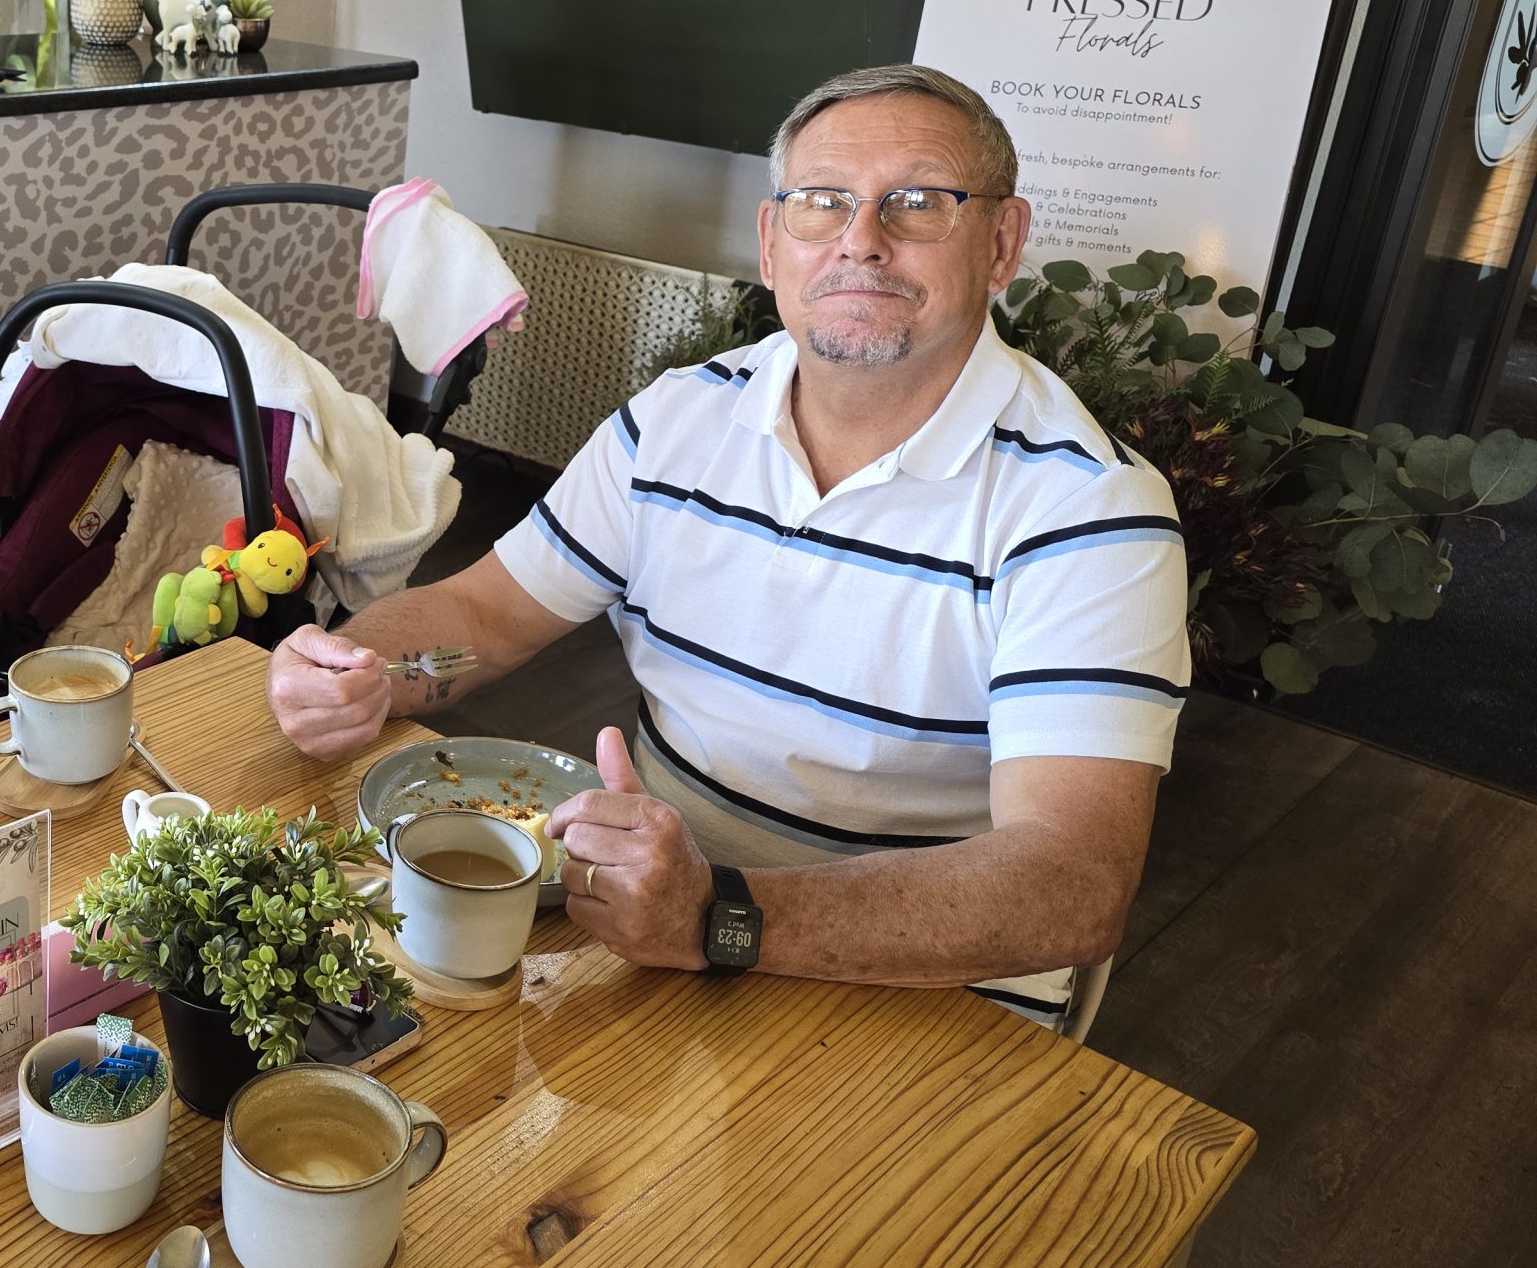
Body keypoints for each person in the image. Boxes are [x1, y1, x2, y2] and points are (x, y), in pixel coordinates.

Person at [268, 65, 1188, 1026]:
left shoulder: (1089, 509)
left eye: (918, 203)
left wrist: (723, 915)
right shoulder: (677, 420)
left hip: (924, 1008)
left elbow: (1069, 881)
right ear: (770, 243)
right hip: (651, 939)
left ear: (1002, 243)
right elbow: (484, 617)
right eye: (821, 201)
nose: (861, 241)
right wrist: (366, 669)